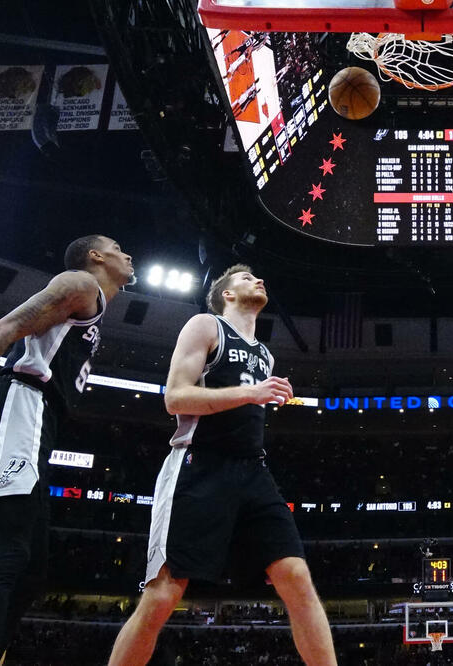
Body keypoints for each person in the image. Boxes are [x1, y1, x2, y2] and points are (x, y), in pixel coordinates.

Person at [107, 265, 336, 666]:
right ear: (227, 295)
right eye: (246, 278)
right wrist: (251, 393)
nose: (259, 280)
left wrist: (254, 394)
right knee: (164, 594)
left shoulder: (264, 354)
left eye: (259, 277)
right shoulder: (205, 325)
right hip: (199, 465)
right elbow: (175, 398)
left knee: (298, 580)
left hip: (253, 472)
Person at [0, 235, 133, 665]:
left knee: (33, 570)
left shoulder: (94, 306)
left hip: (40, 419)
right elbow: (4, 329)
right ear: (95, 257)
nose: (127, 254)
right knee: (8, 548)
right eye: (117, 246)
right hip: (22, 402)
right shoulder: (80, 284)